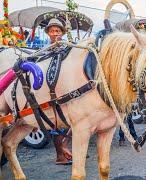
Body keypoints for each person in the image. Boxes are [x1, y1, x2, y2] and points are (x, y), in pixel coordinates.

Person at [44, 18, 72, 165]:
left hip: (66, 89)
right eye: (53, 31)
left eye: (58, 31)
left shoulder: (66, 48)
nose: (55, 33)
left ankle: (66, 147)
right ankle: (60, 156)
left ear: (62, 33)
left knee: (75, 122)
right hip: (50, 91)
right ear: (48, 33)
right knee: (55, 125)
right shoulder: (44, 50)